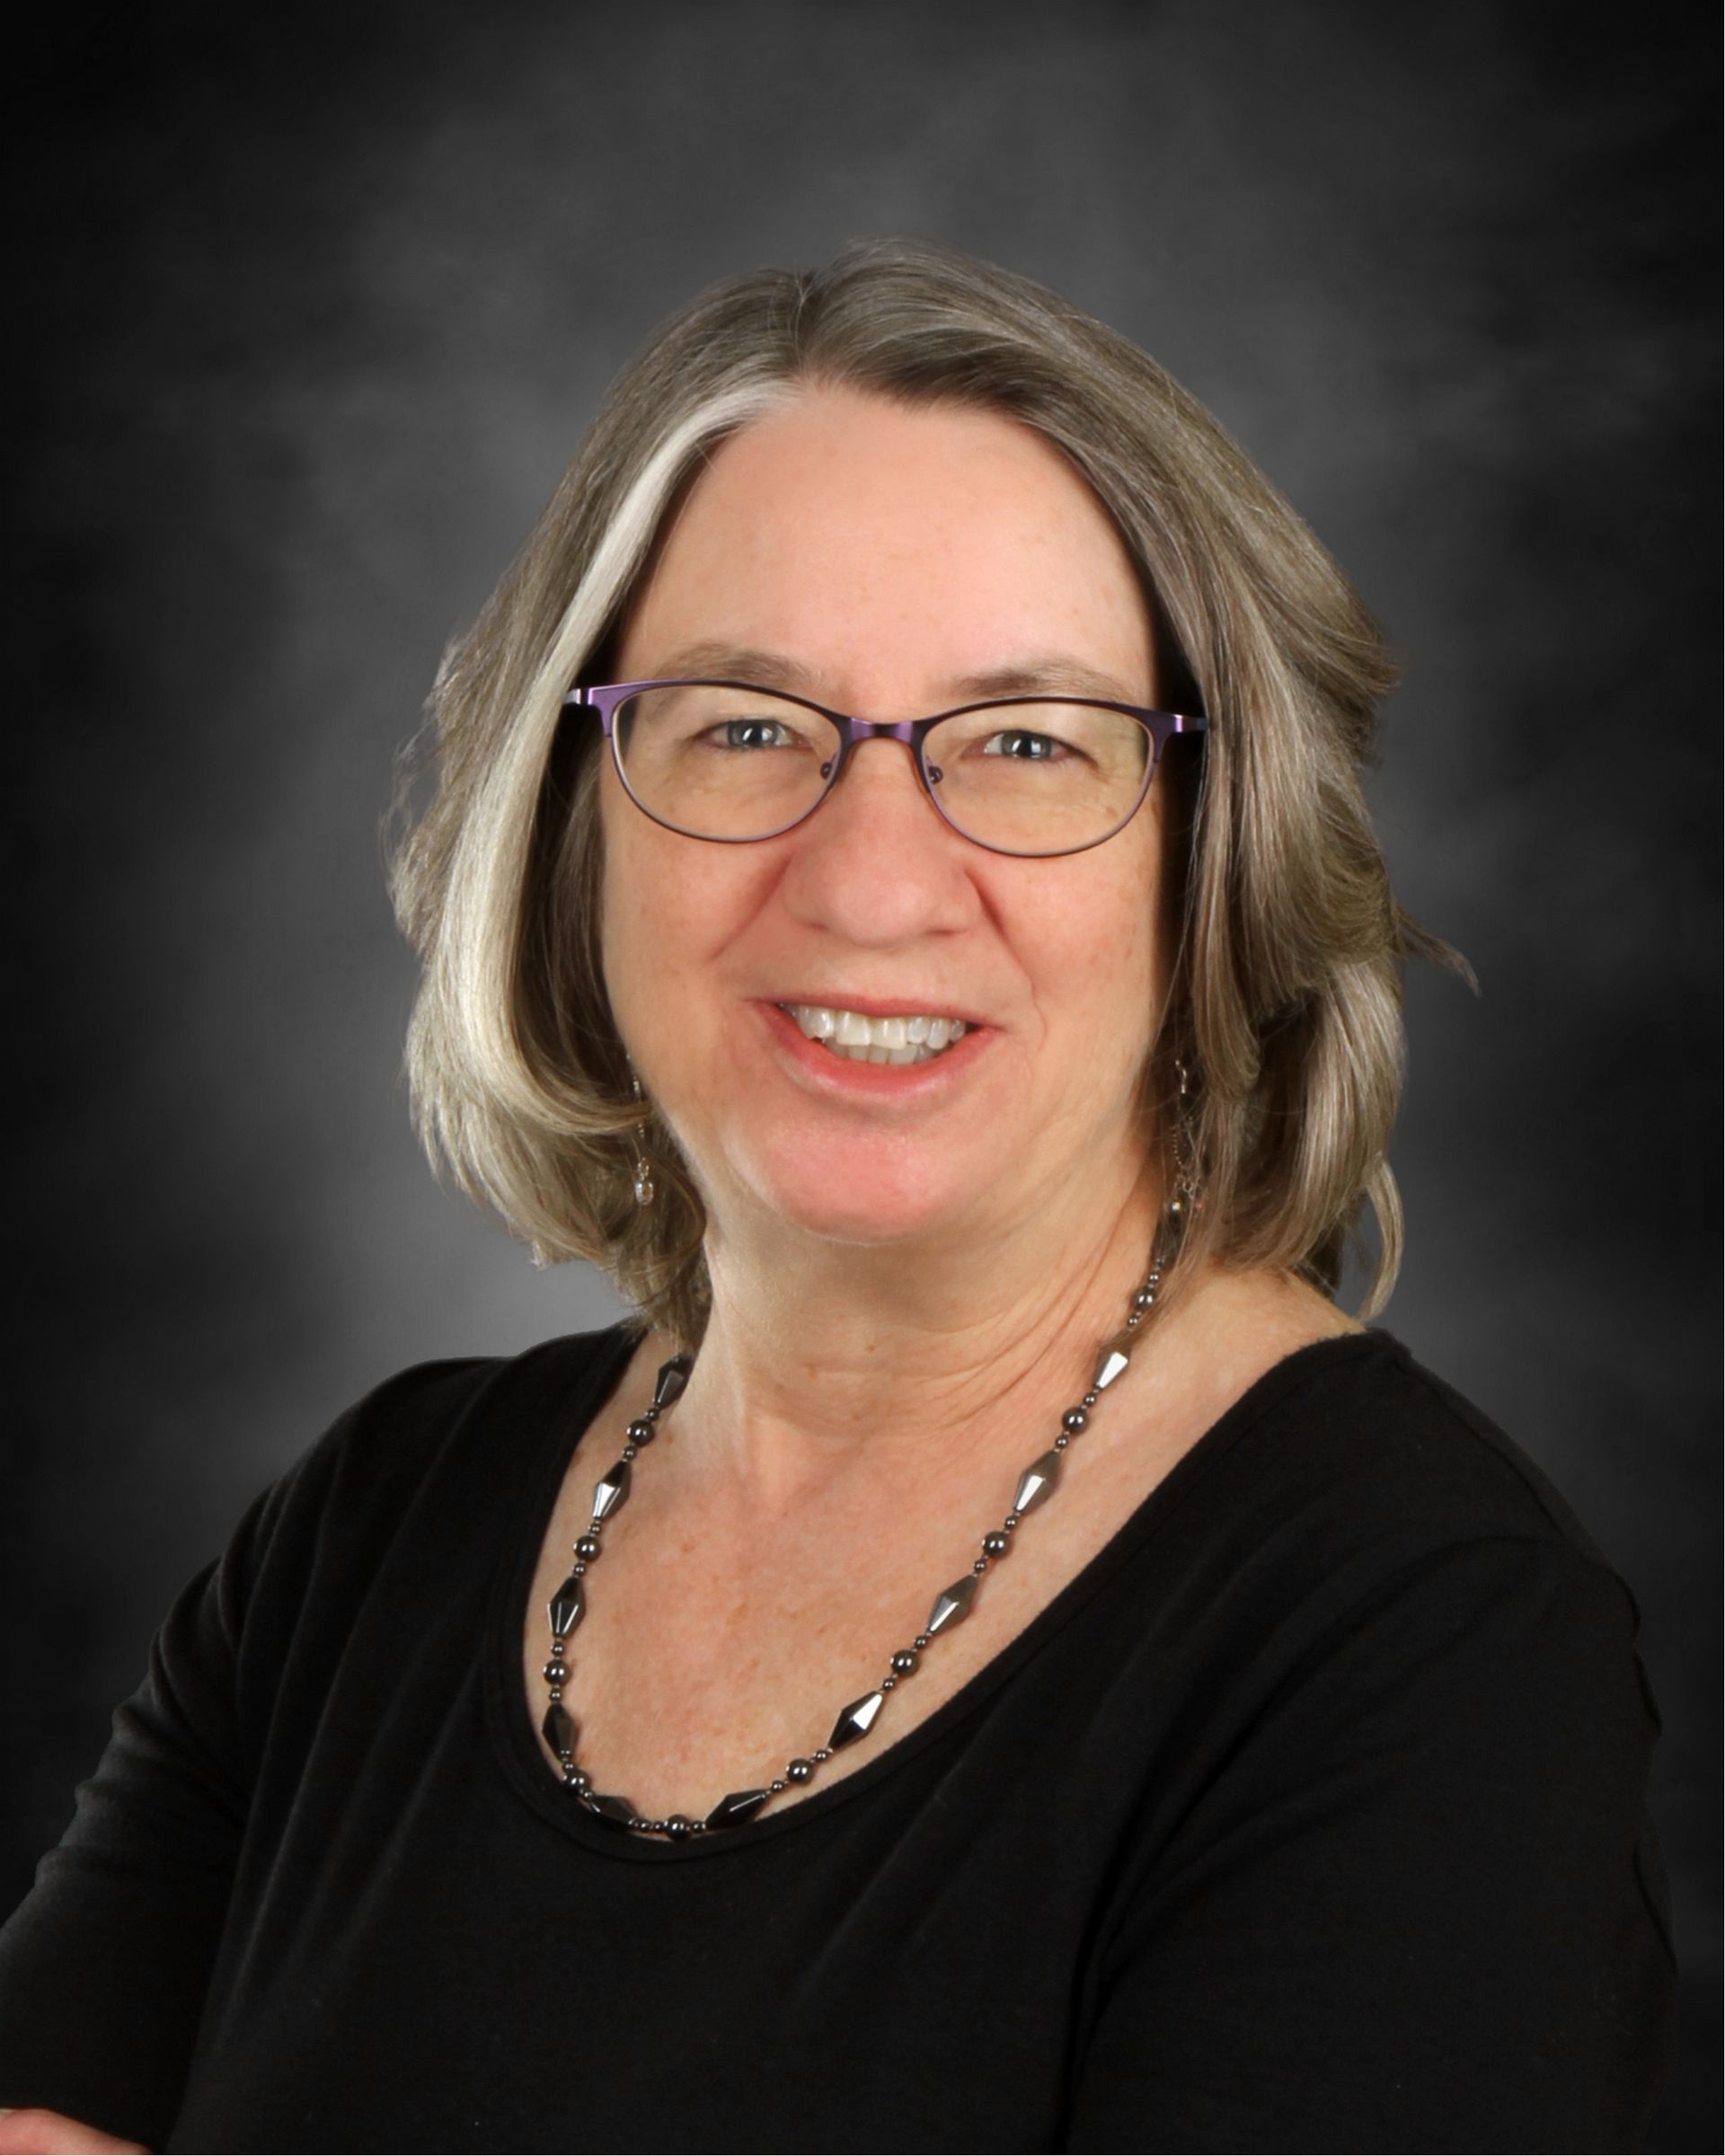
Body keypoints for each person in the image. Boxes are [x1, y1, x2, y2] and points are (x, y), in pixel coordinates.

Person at [0, 239, 1676, 2153]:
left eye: (1028, 744)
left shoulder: (1426, 1643)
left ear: (1217, 860)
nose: (873, 883)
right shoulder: (368, 1534)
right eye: (742, 727)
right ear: (573, 825)